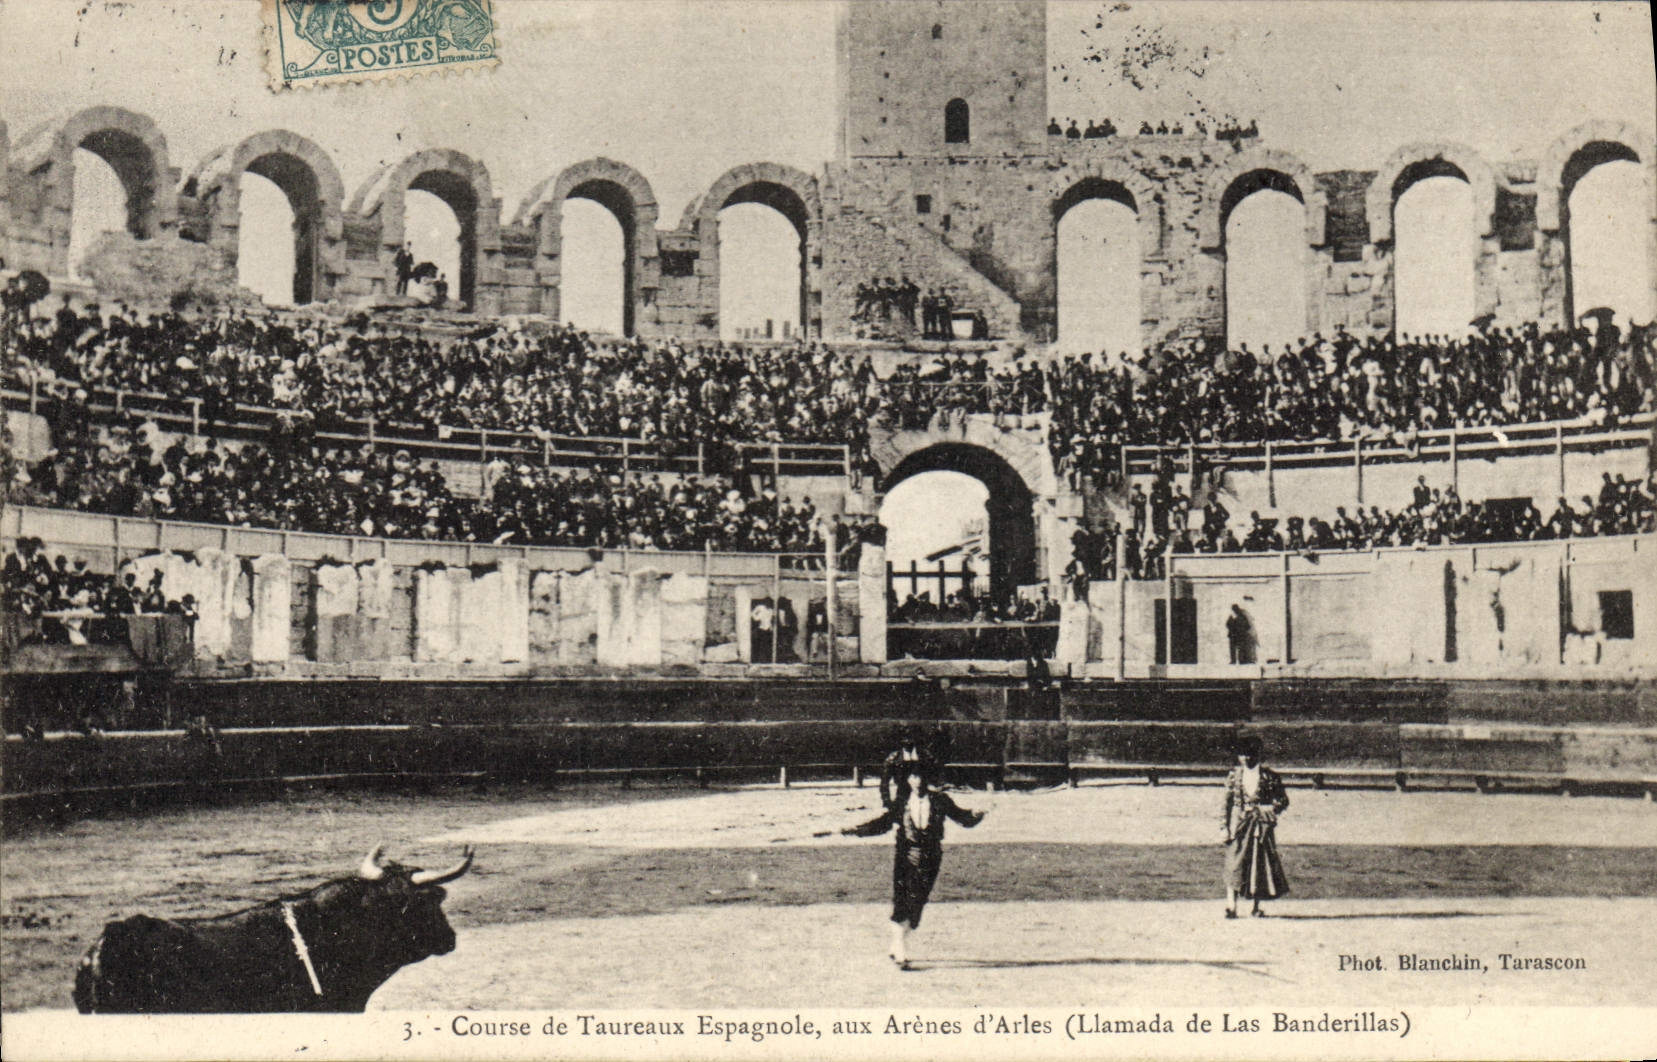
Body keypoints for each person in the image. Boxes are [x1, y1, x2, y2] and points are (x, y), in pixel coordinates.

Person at [842, 760, 985, 968]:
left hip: (931, 857)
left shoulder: (940, 800)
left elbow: (963, 818)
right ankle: (900, 949)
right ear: (908, 780)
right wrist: (856, 830)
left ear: (928, 779)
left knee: (918, 901)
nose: (917, 781)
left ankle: (896, 942)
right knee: (902, 900)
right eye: (913, 777)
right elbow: (882, 824)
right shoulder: (901, 802)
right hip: (906, 856)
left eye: (921, 777)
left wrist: (976, 815)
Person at [1221, 735, 1289, 918]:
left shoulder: (1269, 776)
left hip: (1261, 825)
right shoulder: (1234, 776)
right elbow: (1226, 804)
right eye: (1243, 755)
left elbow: (1283, 800)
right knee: (1234, 864)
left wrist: (1269, 809)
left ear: (1258, 755)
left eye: (1250, 754)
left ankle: (1256, 906)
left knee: (1259, 864)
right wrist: (1224, 827)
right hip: (1240, 825)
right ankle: (1231, 906)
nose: (1246, 758)